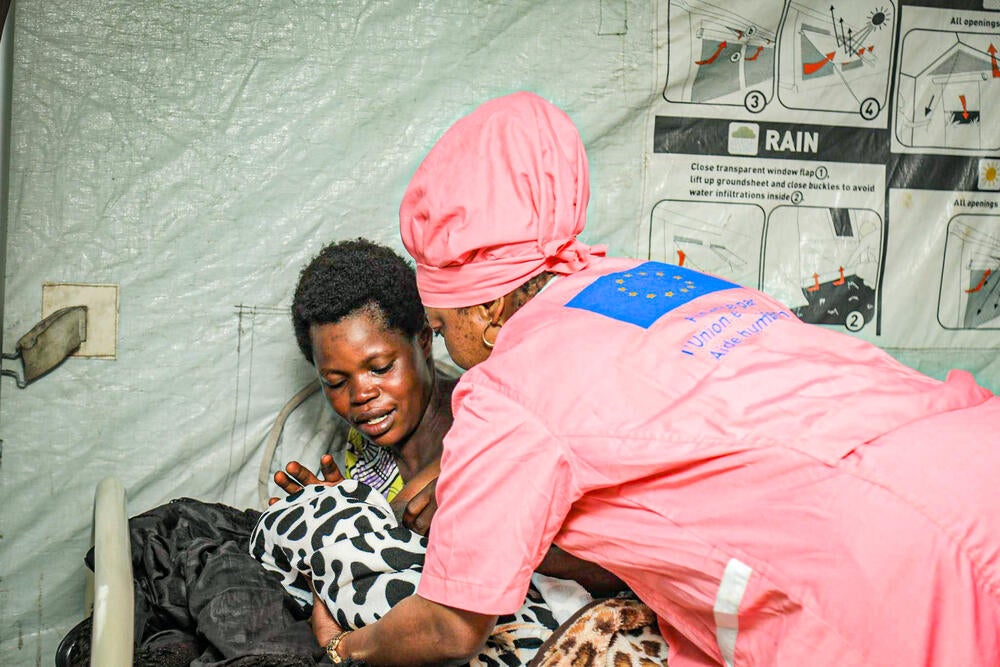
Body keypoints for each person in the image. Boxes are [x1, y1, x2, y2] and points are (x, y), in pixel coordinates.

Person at [309, 91, 1000, 666]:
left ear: (488, 309)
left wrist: (344, 650)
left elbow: (449, 627)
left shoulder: (508, 385)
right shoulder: (642, 279)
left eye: (444, 319)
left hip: (882, 561)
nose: (453, 346)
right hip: (969, 452)